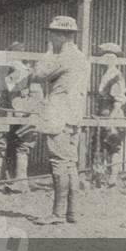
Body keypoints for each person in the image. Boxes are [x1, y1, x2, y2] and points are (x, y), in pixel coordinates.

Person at [29, 16, 89, 225]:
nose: (50, 37)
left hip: (59, 115)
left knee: (58, 164)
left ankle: (57, 214)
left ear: (62, 36)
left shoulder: (63, 57)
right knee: (70, 164)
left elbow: (38, 74)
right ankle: (71, 212)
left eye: (52, 34)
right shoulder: (80, 56)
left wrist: (48, 52)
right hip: (73, 115)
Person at [0, 41, 41, 193]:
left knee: (22, 146)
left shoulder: (25, 73)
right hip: (16, 114)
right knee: (1, 142)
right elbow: (3, 96)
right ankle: (0, 179)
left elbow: (29, 97)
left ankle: (21, 182)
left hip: (27, 115)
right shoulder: (16, 72)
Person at [95, 42, 126, 186]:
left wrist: (110, 120)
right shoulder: (106, 75)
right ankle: (100, 177)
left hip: (112, 114)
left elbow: (118, 101)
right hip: (104, 113)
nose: (103, 60)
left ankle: (112, 179)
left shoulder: (115, 76)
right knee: (101, 146)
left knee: (113, 147)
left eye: (107, 57)